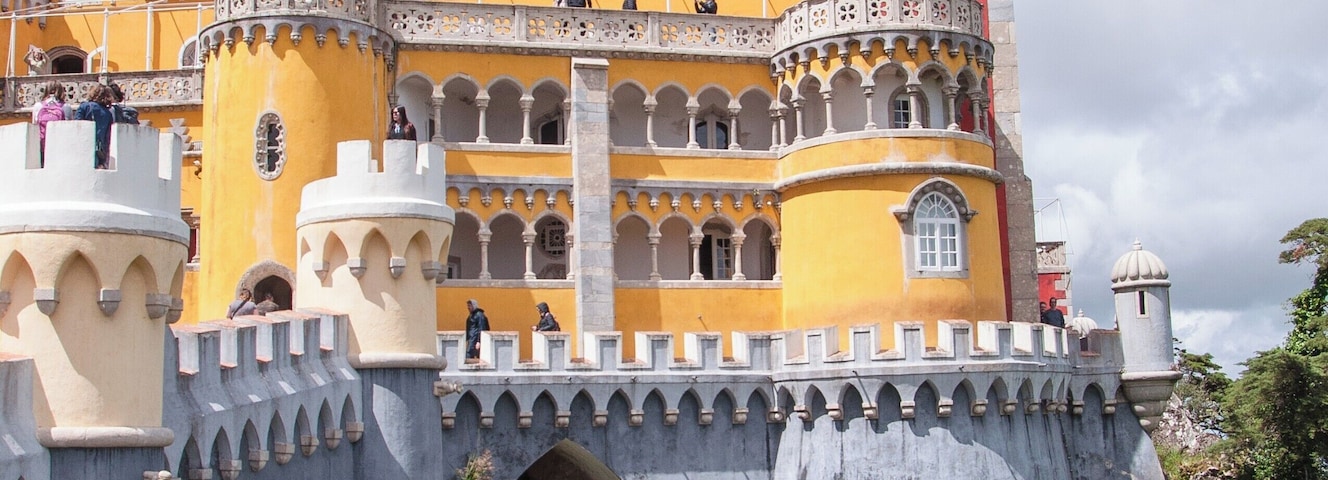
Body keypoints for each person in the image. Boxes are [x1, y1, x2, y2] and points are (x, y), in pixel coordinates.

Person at [73, 84, 115, 169]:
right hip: (100, 148)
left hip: (84, 145)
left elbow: (76, 125)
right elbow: (108, 135)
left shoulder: (85, 106)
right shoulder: (108, 113)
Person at [32, 80, 72, 166]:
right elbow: (69, 126)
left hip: (42, 144)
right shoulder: (66, 107)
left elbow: (34, 125)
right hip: (59, 144)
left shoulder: (38, 106)